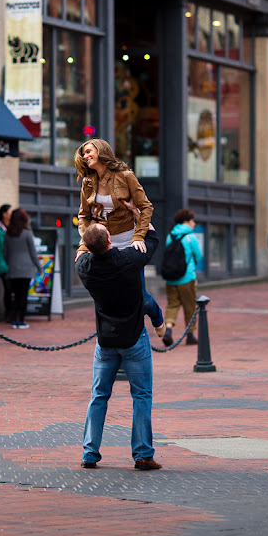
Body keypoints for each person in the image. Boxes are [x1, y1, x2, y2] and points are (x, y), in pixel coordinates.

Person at [76, 220, 162, 471]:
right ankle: (143, 455)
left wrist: (87, 235)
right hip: (134, 338)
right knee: (142, 396)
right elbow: (152, 241)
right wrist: (140, 218)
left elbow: (82, 251)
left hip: (105, 340)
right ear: (110, 240)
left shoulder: (84, 267)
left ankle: (89, 453)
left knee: (99, 396)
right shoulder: (129, 260)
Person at [74, 138, 165, 338]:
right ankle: (117, 337)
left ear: (101, 151)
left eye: (89, 151)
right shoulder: (88, 182)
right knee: (108, 295)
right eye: (83, 154)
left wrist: (139, 236)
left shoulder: (125, 176)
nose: (85, 156)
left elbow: (146, 207)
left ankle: (157, 317)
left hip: (129, 241)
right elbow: (83, 216)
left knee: (140, 296)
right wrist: (84, 244)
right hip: (103, 244)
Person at [162, 208, 202, 347]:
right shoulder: (191, 237)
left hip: (171, 278)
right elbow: (198, 256)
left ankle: (168, 330)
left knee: (172, 304)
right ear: (186, 221)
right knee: (189, 306)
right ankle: (190, 335)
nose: (194, 223)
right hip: (187, 278)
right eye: (192, 221)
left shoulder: (170, 236)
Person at [3, 208, 43, 329]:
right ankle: (21, 320)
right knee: (23, 295)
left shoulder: (7, 234)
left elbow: (5, 252)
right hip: (26, 269)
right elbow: (33, 252)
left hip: (12, 269)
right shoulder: (27, 233)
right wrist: (39, 267)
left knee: (14, 295)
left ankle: (14, 320)